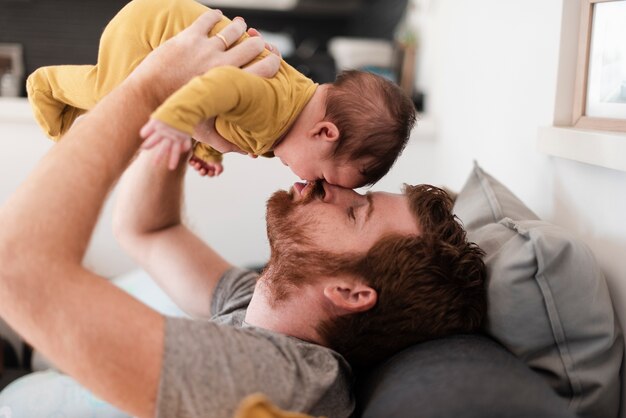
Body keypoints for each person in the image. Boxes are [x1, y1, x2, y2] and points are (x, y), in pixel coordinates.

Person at [0, 10, 486, 418]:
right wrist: (181, 114)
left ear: (349, 292)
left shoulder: (288, 379)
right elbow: (148, 229)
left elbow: (14, 270)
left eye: (356, 211)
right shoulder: (261, 309)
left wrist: (150, 87)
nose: (330, 188)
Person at [26, 0, 416, 188]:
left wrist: (207, 147)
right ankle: (47, 85)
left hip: (170, 27)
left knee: (126, 119)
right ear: (325, 133)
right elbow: (220, 86)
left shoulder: (292, 119)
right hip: (152, 29)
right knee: (112, 95)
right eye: (325, 179)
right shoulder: (275, 107)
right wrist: (174, 123)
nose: (310, 186)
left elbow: (222, 113)